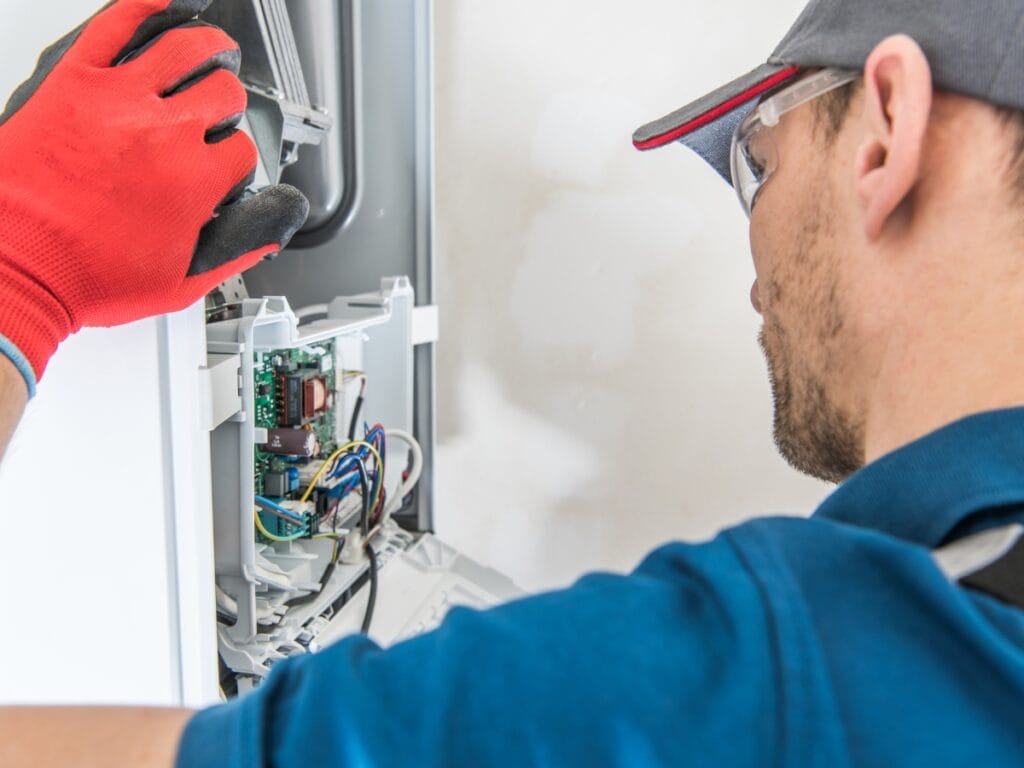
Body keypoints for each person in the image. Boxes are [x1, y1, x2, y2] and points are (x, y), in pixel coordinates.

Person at [3, 0, 1024, 764]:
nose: (752, 265)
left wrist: (22, 270)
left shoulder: (767, 689)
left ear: (886, 130)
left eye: (758, 161)